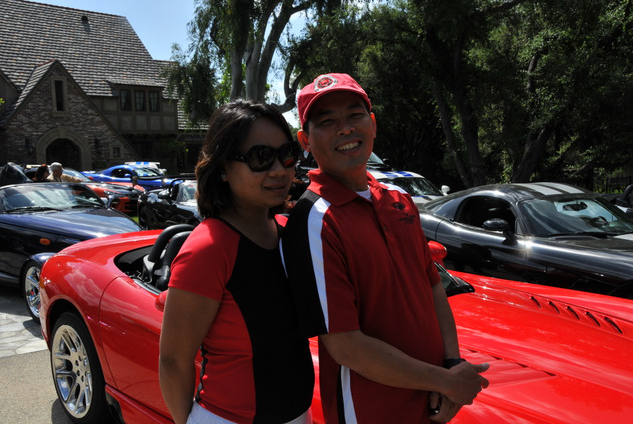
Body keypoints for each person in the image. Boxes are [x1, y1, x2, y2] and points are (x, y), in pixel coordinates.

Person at [281, 73, 489, 424]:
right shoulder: (313, 219)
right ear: (305, 141)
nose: (345, 129)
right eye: (327, 122)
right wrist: (446, 381)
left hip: (430, 403)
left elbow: (433, 286)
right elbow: (345, 346)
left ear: (373, 124)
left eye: (354, 115)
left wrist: (452, 364)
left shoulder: (399, 200)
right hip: (369, 411)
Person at [159, 99, 314, 424]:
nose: (279, 169)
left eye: (287, 154)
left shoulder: (289, 232)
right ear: (223, 168)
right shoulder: (208, 248)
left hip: (300, 415)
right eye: (260, 157)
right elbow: (173, 361)